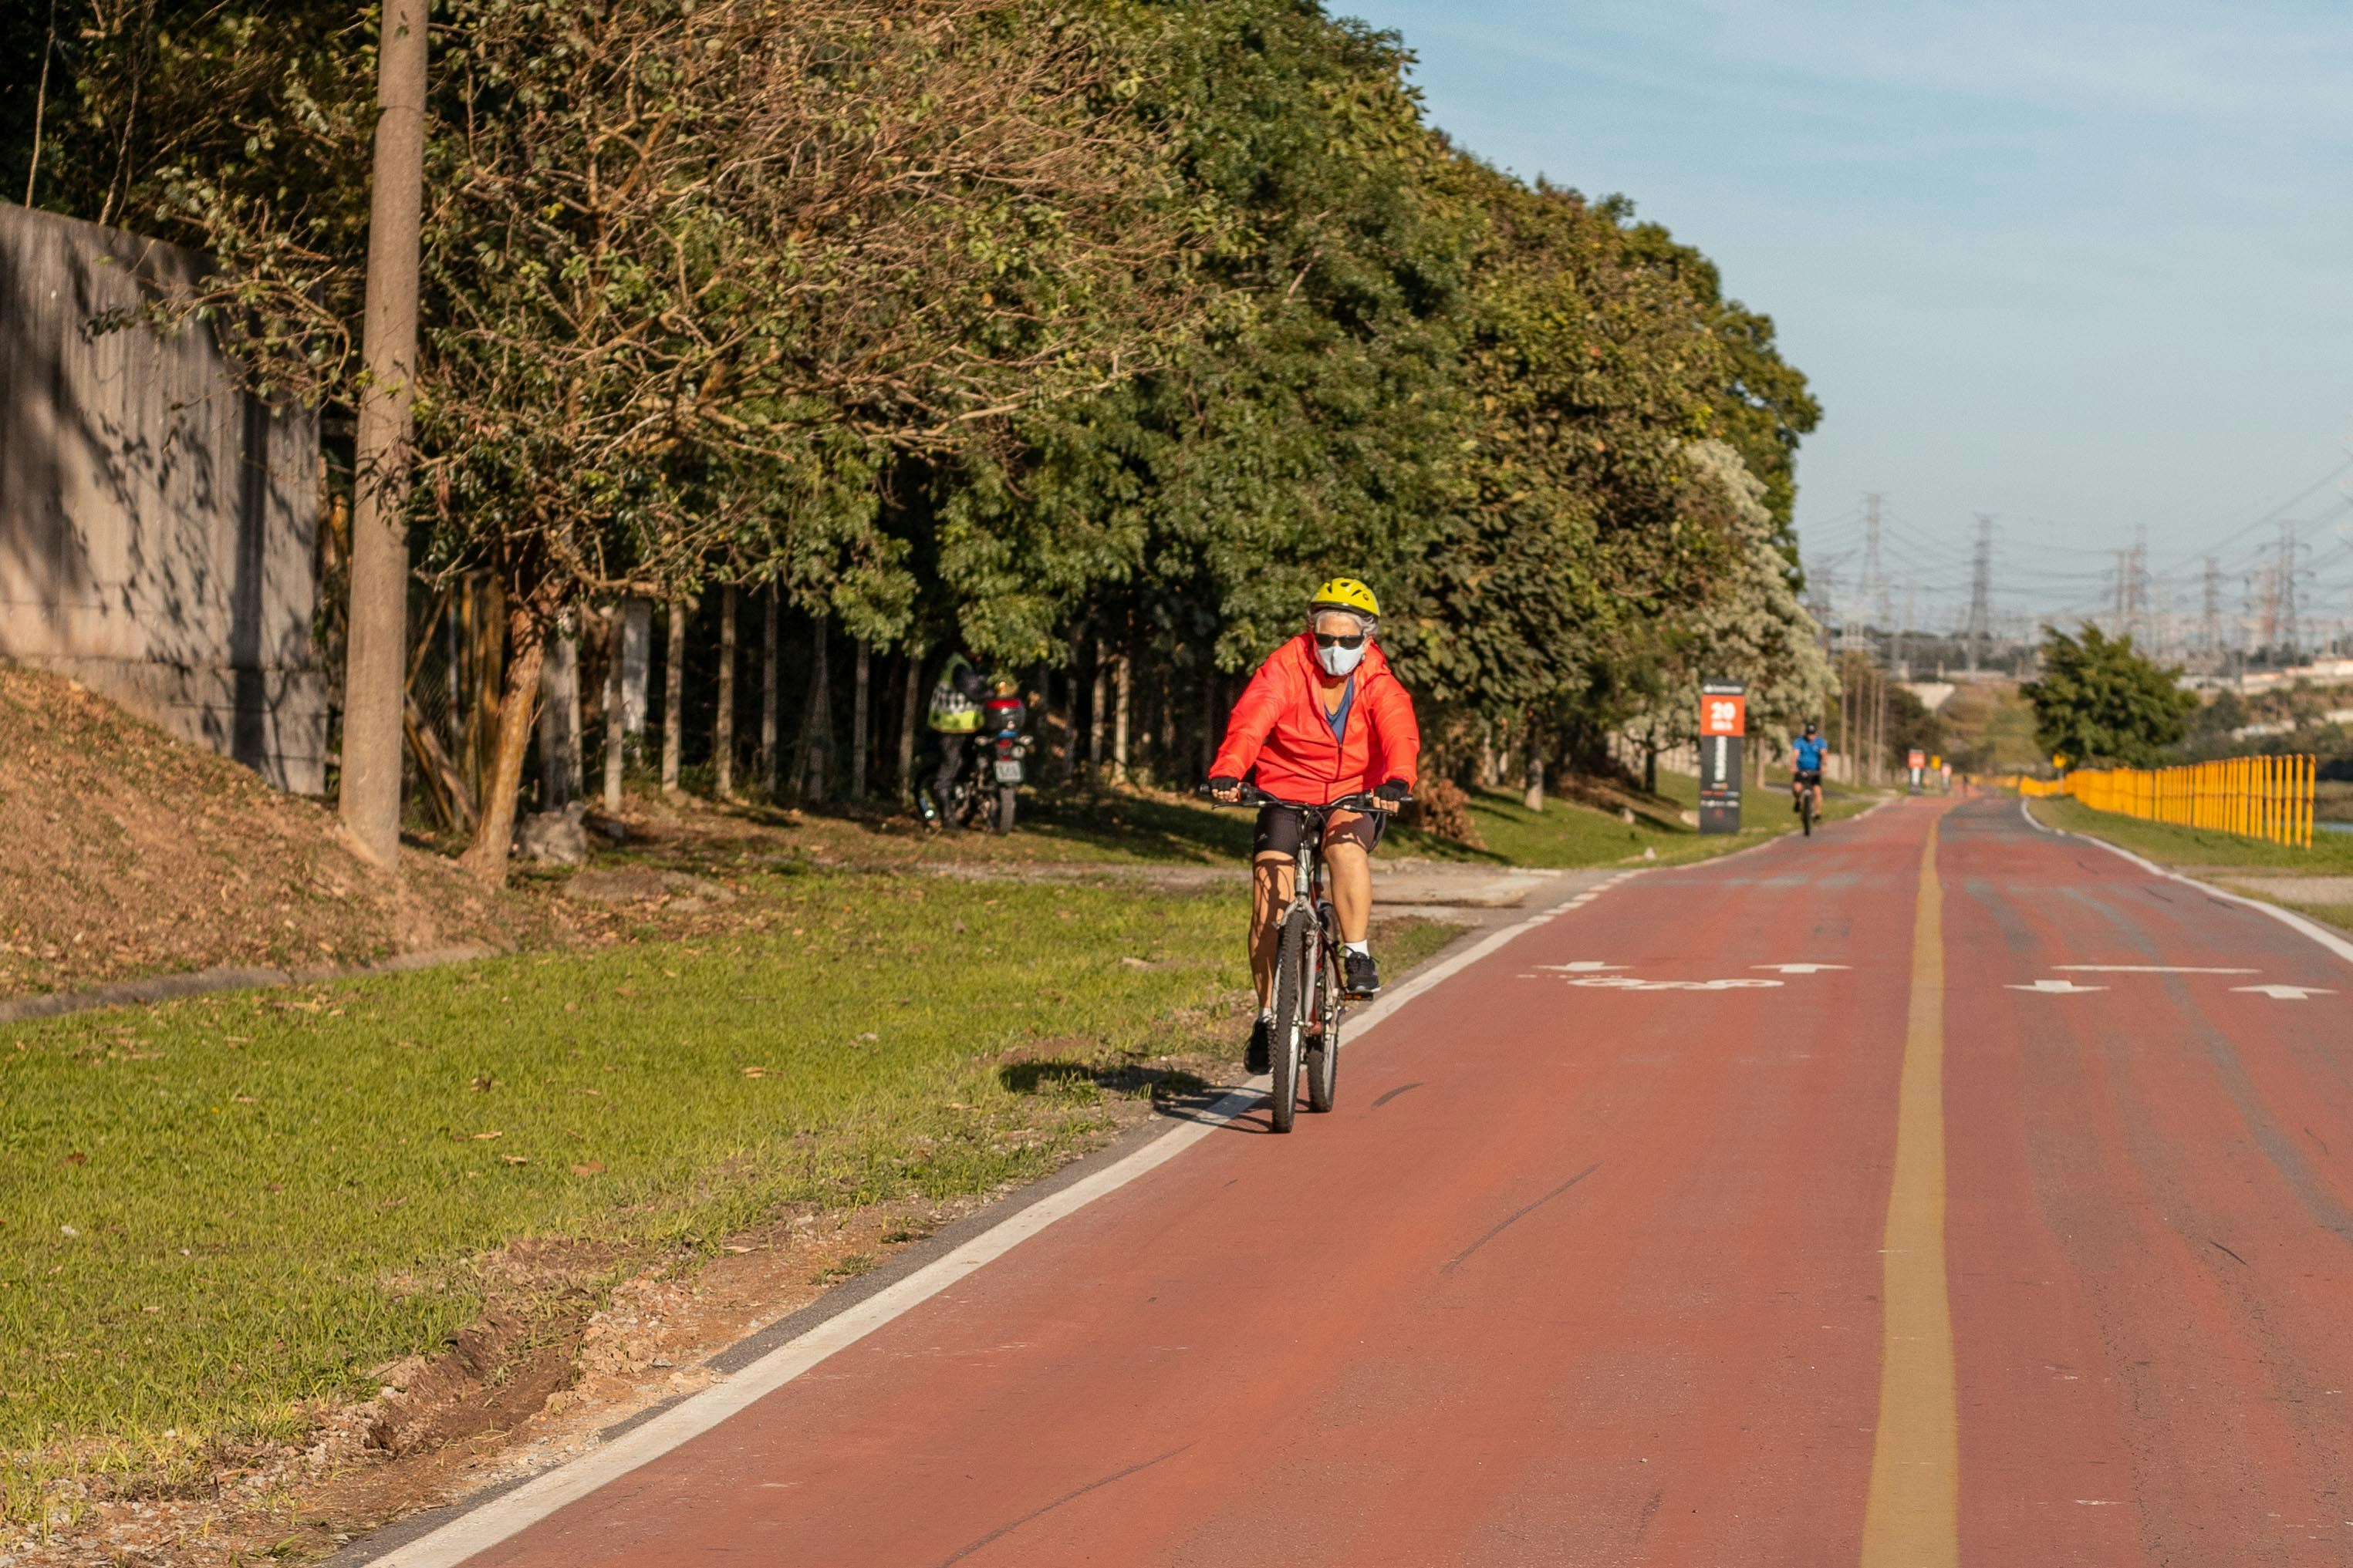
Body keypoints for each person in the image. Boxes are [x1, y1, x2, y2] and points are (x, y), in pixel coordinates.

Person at [1207, 578, 1420, 1072]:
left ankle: (1358, 952)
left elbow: (1399, 730)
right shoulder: (1284, 667)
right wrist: (1228, 771)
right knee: (1268, 903)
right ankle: (1266, 1017)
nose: (1335, 650)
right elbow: (1251, 721)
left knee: (1345, 848)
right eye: (1326, 638)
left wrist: (1397, 780)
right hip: (1284, 789)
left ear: (1367, 639)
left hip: (1354, 792)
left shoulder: (1377, 681)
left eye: (1348, 640)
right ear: (1311, 634)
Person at [925, 649, 987, 825]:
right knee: (950, 767)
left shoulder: (964, 663)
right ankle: (944, 816)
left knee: (961, 764)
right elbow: (974, 690)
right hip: (950, 725)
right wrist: (992, 693)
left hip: (961, 726)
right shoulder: (959, 666)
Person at [1790, 720, 1827, 820]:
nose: (1811, 736)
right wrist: (1793, 765)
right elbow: (1795, 754)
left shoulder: (1820, 742)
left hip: (1815, 771)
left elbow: (1823, 754)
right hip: (1801, 770)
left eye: (1812, 734)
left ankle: (1817, 813)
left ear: (1816, 734)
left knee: (1817, 792)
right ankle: (1798, 801)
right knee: (1797, 789)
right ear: (1806, 734)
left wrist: (1823, 765)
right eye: (1809, 734)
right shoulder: (1799, 741)